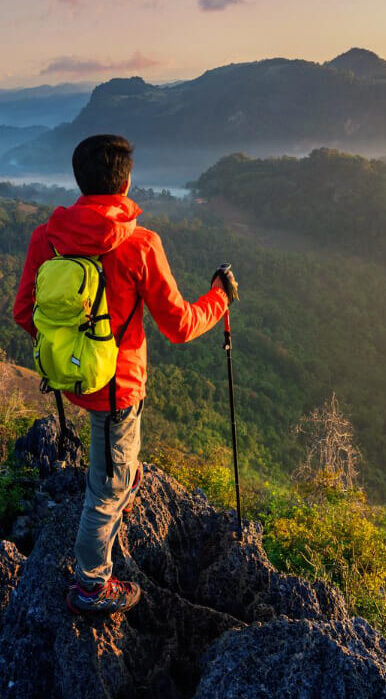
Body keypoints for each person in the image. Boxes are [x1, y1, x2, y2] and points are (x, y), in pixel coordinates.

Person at [12, 134, 239, 615]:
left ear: (79, 180)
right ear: (126, 182)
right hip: (119, 388)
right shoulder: (141, 244)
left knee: (116, 463)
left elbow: (24, 312)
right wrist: (219, 299)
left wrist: (69, 350)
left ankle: (123, 479)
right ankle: (91, 586)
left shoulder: (47, 238)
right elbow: (178, 326)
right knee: (104, 490)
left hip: (74, 380)